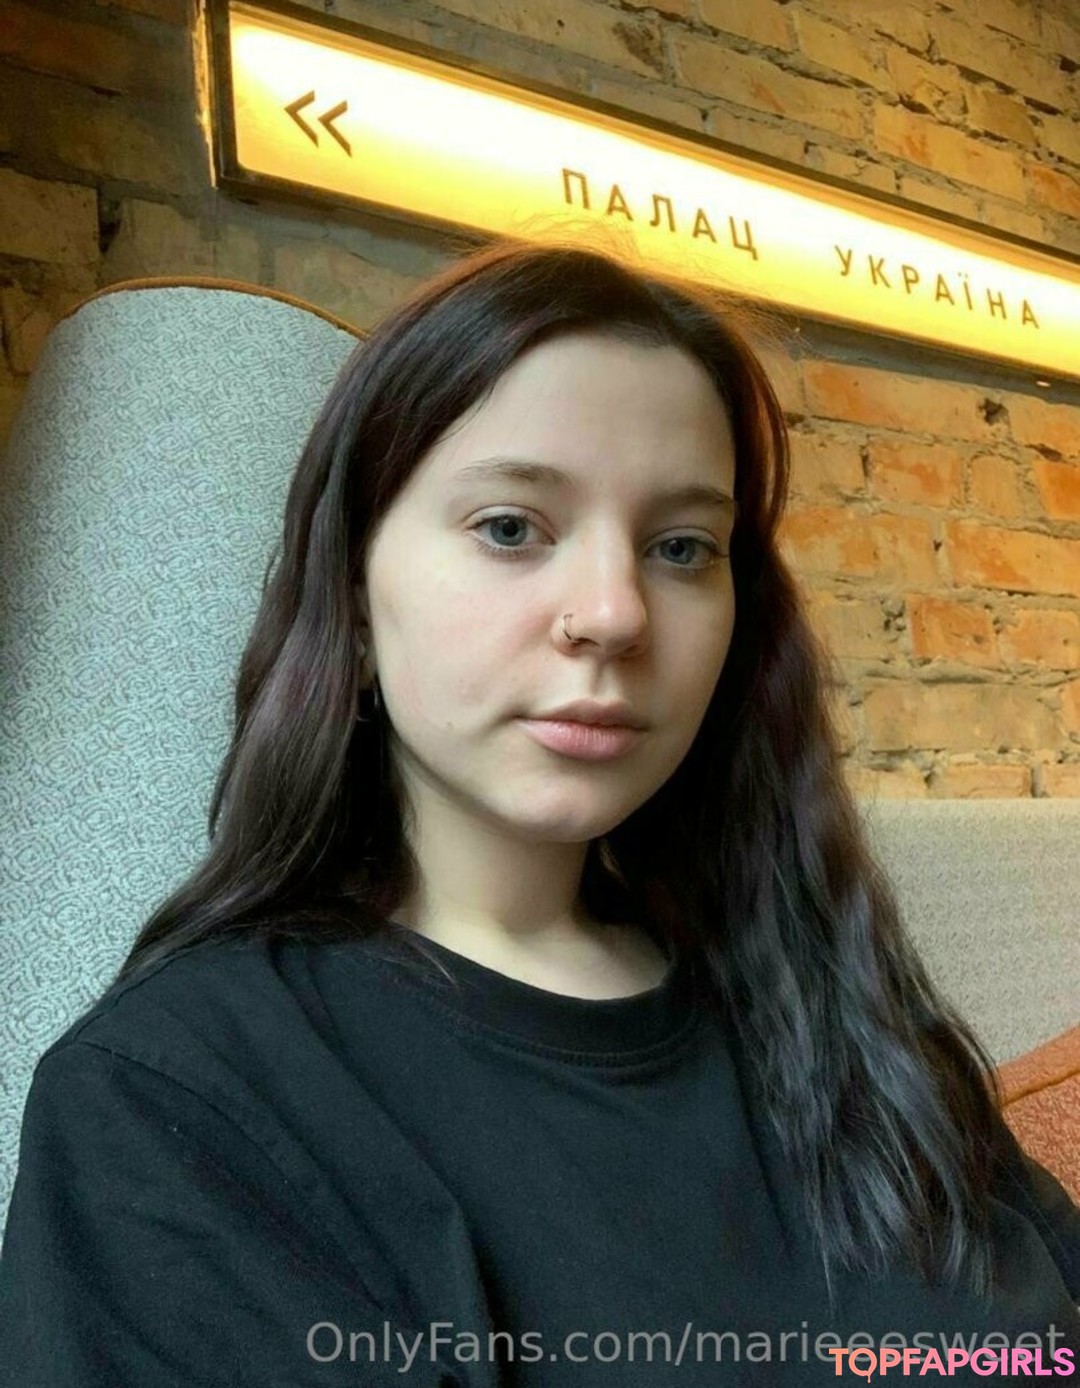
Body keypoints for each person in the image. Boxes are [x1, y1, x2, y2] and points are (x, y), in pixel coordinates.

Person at [0, 237, 1077, 1387]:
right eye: (511, 526)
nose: (614, 612)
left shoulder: (836, 1000)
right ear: (354, 598)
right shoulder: (175, 1101)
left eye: (680, 547)